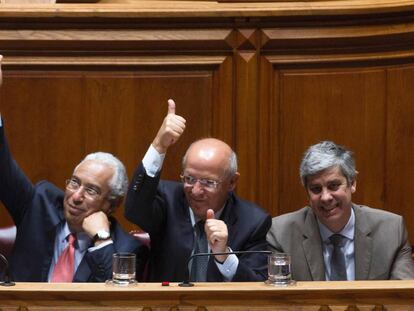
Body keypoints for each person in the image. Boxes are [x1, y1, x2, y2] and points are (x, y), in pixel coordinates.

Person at [0, 55, 148, 282]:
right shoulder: (39, 205)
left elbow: (119, 300)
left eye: (91, 190)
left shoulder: (127, 249)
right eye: (74, 182)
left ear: (112, 204)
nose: (76, 196)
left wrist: (101, 240)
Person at [124, 99, 271, 282]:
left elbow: (257, 287)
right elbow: (134, 211)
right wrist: (159, 145)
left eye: (208, 182)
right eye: (189, 179)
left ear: (232, 182)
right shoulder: (167, 199)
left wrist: (225, 256)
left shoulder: (253, 222)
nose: (195, 190)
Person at [267, 140, 414, 281]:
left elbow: (402, 297)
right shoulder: (281, 234)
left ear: (352, 183)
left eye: (334, 186)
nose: (325, 197)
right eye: (316, 189)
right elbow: (279, 300)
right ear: (307, 193)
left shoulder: (391, 231)